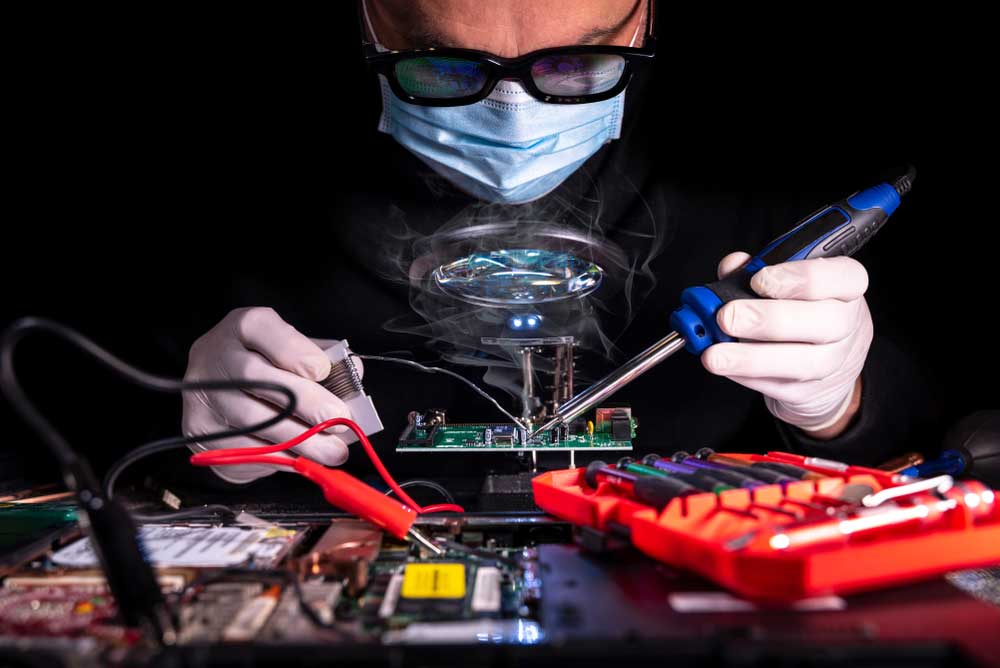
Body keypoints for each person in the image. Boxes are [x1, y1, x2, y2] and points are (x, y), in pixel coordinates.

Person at [181, 0, 932, 486]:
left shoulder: (770, 155)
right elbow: (91, 442)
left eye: (578, 65)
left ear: (644, 21)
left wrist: (840, 409)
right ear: (371, 21)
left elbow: (934, 439)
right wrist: (202, 433)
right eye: (444, 67)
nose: (513, 118)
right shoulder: (230, 179)